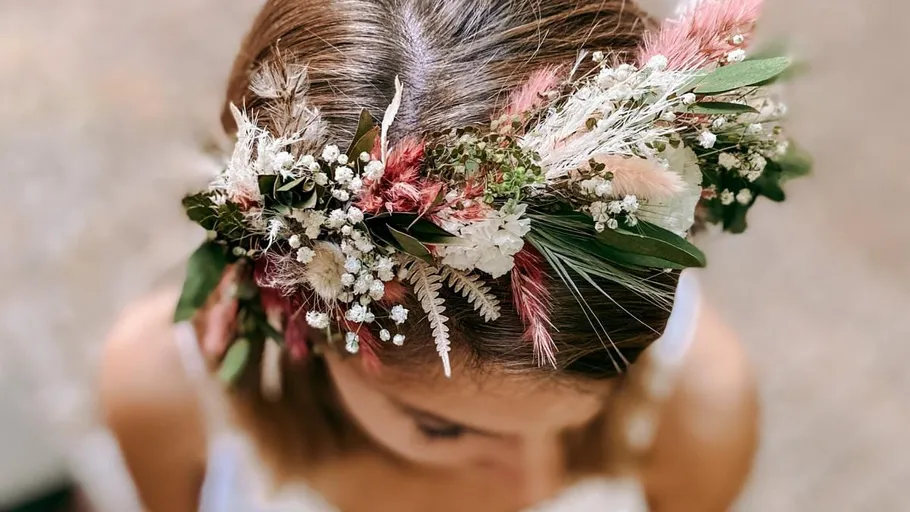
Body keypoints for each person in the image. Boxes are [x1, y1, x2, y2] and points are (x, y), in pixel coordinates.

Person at [101, 0, 798, 510]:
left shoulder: (702, 408)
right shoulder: (164, 395)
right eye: (440, 426)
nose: (529, 487)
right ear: (295, 292)